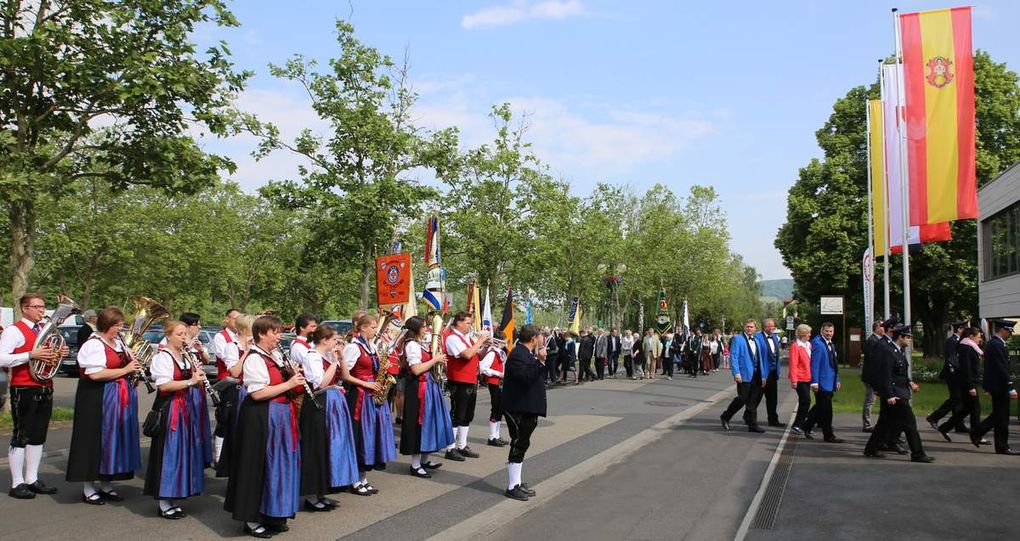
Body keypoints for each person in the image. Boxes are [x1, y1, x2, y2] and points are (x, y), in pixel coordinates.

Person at [223, 315, 303, 537]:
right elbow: (257, 393)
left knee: (278, 465)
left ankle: (272, 513)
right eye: (275, 332)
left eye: (279, 331)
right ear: (261, 334)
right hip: (262, 417)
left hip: (281, 417)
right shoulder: (255, 359)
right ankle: (251, 518)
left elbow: (283, 385)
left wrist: (292, 375)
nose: (279, 336)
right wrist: (288, 383)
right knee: (257, 465)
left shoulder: (275, 355)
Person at [66, 307, 142, 504]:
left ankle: (107, 483)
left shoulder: (118, 342)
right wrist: (125, 369)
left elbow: (123, 367)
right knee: (94, 440)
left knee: (113, 440)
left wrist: (133, 372)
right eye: (117, 325)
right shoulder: (93, 344)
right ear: (107, 325)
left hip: (118, 397)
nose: (121, 329)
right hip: (97, 398)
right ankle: (88, 487)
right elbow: (95, 374)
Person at [1, 294, 67, 499]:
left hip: (45, 386)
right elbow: (1, 356)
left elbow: (50, 356)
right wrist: (30, 355)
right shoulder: (14, 331)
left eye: (43, 306)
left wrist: (59, 352)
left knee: (38, 436)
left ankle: (31, 478)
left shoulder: (45, 331)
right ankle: (17, 482)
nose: (42, 310)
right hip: (24, 389)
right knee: (22, 436)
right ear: (24, 309)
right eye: (37, 307)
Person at [143, 320, 209, 519]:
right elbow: (163, 387)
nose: (183, 338)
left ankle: (174, 495)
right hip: (171, 409)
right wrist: (191, 381)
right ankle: (164, 501)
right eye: (179, 334)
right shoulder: (163, 357)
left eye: (184, 334)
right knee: (169, 452)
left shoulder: (185, 355)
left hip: (185, 408)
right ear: (169, 335)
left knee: (182, 451)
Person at [299, 324, 357, 511]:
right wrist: (333, 362)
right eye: (333, 339)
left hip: (332, 404)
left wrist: (340, 358)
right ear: (324, 340)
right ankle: (311, 494)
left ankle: (321, 491)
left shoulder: (326, 356)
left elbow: (345, 376)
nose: (336, 343)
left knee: (329, 447)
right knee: (317, 447)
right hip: (319, 406)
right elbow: (320, 383)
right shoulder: (312, 356)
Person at [342, 313, 397, 493]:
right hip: (359, 397)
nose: (375, 330)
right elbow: (345, 375)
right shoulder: (353, 347)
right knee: (359, 436)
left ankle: (363, 478)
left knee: (369, 437)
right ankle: (355, 480)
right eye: (373, 327)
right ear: (363, 327)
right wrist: (366, 383)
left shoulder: (371, 346)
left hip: (371, 395)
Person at [864, 324, 934, 463]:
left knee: (884, 423)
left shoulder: (898, 351)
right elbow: (886, 375)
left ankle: (871, 449)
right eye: (907, 337)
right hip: (895, 394)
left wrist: (909, 382)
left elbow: (899, 373)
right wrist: (889, 395)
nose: (909, 340)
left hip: (899, 391)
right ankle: (918, 453)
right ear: (900, 337)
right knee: (910, 424)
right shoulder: (888, 351)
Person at [397, 316, 453, 477]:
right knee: (418, 423)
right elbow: (416, 369)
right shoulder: (412, 345)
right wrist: (435, 359)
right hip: (418, 388)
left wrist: (439, 361)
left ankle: (424, 459)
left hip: (429, 385)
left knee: (430, 423)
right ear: (416, 329)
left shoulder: (421, 344)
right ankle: (415, 465)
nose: (426, 328)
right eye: (423, 326)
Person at [501, 324, 547, 501]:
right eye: (540, 337)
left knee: (523, 443)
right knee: (518, 443)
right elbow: (526, 378)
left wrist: (538, 362)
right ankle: (512, 486)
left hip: (526, 407)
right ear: (534, 338)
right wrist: (539, 361)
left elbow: (535, 376)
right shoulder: (518, 354)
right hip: (517, 408)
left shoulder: (525, 353)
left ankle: (517, 482)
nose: (541, 340)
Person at [443, 312, 490, 461]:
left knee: (468, 415)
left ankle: (462, 445)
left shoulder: (467, 338)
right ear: (459, 323)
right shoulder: (452, 338)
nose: (470, 326)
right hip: (459, 380)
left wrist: (486, 347)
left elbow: (477, 356)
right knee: (457, 414)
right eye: (468, 323)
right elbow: (467, 355)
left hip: (470, 379)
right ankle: (450, 448)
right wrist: (479, 341)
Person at [214, 313, 255, 478]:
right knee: (234, 431)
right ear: (245, 330)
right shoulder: (232, 346)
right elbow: (235, 371)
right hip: (237, 392)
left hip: (253, 390)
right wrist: (247, 352)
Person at [970, 320, 1019, 455]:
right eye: (1009, 331)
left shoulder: (996, 344)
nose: (1009, 334)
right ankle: (1002, 446)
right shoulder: (997, 345)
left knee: (999, 416)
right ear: (1002, 330)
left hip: (997, 385)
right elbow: (1001, 368)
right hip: (1000, 386)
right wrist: (1010, 387)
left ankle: (978, 433)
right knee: (1002, 418)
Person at [937, 327, 983, 442]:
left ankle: (945, 427)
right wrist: (970, 386)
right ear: (971, 337)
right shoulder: (966, 348)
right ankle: (977, 434)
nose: (980, 339)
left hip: (969, 382)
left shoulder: (970, 346)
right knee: (975, 408)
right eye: (978, 336)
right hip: (968, 383)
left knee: (967, 409)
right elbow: (966, 369)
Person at [720, 319, 765, 433]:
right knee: (742, 398)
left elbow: (760, 360)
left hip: (756, 374)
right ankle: (726, 416)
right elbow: (733, 356)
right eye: (747, 326)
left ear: (755, 329)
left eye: (751, 327)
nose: (749, 328)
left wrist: (763, 375)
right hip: (744, 374)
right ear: (744, 327)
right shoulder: (738, 339)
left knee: (753, 400)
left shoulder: (757, 341)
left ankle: (752, 424)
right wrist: (736, 372)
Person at [801, 322, 843, 443]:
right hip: (821, 382)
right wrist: (814, 382)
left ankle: (806, 425)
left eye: (831, 331)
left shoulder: (830, 344)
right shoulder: (818, 344)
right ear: (821, 331)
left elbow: (834, 364)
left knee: (820, 407)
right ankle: (828, 435)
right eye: (826, 331)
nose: (829, 333)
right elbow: (814, 364)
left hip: (830, 382)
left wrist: (837, 379)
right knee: (826, 410)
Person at [211, 308, 241, 469]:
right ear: (227, 320)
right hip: (227, 381)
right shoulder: (220, 336)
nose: (237, 322)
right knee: (225, 418)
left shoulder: (241, 337)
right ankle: (219, 455)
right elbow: (224, 356)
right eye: (235, 319)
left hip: (241, 383)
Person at [926, 321, 968, 433]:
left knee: (958, 400)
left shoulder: (959, 341)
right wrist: (955, 372)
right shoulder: (952, 341)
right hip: (953, 375)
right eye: (965, 329)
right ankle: (935, 417)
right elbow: (952, 358)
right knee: (956, 399)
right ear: (959, 329)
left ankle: (958, 424)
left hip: (956, 375)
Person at [481, 330, 509, 447]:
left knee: (500, 409)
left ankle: (496, 435)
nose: (505, 343)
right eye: (503, 341)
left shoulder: (500, 352)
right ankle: (492, 437)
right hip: (495, 383)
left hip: (501, 383)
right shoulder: (492, 352)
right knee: (496, 408)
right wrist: (498, 374)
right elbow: (483, 368)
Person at [756, 319, 784, 427]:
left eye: (773, 326)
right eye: (770, 326)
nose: (772, 328)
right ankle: (749, 417)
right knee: (757, 397)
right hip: (762, 373)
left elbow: (776, 355)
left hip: (772, 373)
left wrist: (777, 369)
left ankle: (773, 419)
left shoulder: (774, 338)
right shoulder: (758, 337)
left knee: (772, 398)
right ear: (764, 327)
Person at [860, 320, 885, 433]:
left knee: (873, 400)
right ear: (877, 328)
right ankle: (867, 424)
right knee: (870, 400)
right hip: (871, 377)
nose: (884, 329)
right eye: (882, 327)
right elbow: (872, 361)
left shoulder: (878, 340)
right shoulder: (872, 341)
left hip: (875, 377)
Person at [788, 324, 813, 434]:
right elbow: (793, 364)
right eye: (808, 333)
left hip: (807, 377)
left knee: (806, 401)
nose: (810, 335)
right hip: (800, 377)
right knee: (805, 400)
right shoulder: (795, 346)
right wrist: (794, 380)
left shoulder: (808, 345)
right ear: (803, 334)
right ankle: (797, 424)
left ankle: (801, 424)